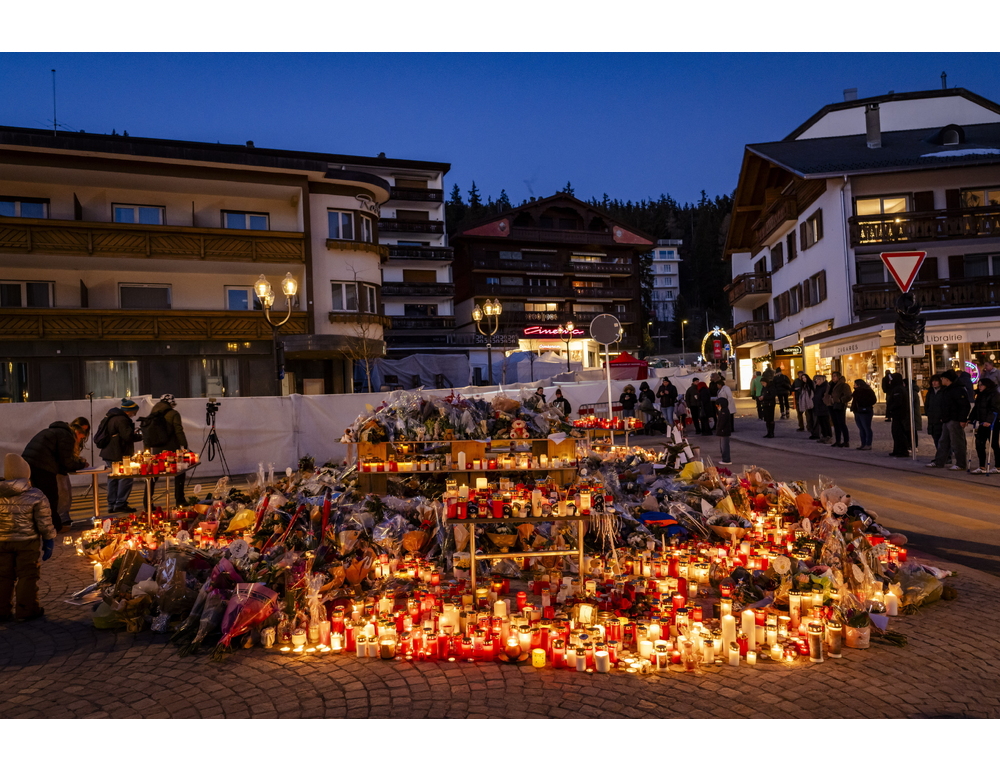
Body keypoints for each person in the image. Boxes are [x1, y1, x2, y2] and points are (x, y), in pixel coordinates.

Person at [0, 453, 56, 622]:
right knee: (27, 575)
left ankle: (2, 611)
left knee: (3, 576)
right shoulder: (36, 495)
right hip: (27, 542)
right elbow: (44, 521)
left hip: (2, 542)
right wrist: (48, 539)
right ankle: (27, 610)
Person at [21, 417, 89, 532]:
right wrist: (81, 464)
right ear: (77, 432)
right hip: (42, 466)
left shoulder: (55, 432)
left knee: (38, 497)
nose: (79, 441)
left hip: (29, 464)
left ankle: (41, 526)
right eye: (81, 438)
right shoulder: (67, 436)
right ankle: (55, 527)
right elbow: (66, 462)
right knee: (50, 497)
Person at [143, 395, 190, 508]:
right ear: (171, 403)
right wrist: (184, 445)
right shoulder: (174, 414)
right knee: (180, 472)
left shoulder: (152, 413)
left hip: (156, 449)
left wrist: (147, 449)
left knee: (153, 475)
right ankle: (180, 500)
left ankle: (147, 502)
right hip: (172, 448)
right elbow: (178, 430)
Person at [98, 399, 140, 514]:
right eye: (134, 412)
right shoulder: (122, 419)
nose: (134, 414)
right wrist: (140, 436)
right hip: (119, 453)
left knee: (113, 478)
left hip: (109, 453)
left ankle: (112, 504)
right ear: (128, 411)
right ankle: (120, 503)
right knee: (126, 477)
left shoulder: (110, 417)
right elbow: (127, 436)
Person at [926, 371, 971, 470]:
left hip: (955, 419)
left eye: (942, 379)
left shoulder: (958, 389)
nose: (941, 381)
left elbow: (964, 405)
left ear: (947, 379)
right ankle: (939, 461)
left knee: (957, 442)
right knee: (943, 441)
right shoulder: (947, 389)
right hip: (947, 419)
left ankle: (961, 464)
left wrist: (962, 419)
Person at [56, 417, 91, 529]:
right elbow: (66, 459)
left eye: (85, 431)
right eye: (82, 431)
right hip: (56, 468)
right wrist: (79, 464)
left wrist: (78, 460)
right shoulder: (67, 437)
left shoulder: (70, 438)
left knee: (66, 491)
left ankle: (64, 517)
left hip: (60, 468)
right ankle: (62, 519)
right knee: (63, 492)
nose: (83, 434)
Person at [970, 378, 1000, 474]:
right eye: (979, 385)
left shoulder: (994, 394)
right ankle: (982, 466)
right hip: (982, 422)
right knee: (979, 443)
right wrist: (971, 418)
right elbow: (977, 408)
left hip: (993, 423)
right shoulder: (980, 395)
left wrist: (989, 421)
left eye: (981, 385)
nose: (979, 387)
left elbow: (994, 409)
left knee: (994, 444)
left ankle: (998, 466)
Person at [884, 374, 912, 456]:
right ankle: (897, 450)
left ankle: (902, 451)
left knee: (899, 433)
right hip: (897, 414)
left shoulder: (898, 389)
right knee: (896, 433)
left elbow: (898, 402)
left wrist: (891, 408)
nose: (890, 382)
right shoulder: (897, 389)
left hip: (899, 414)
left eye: (891, 380)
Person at [711, 378, 736, 464]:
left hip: (724, 431)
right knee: (723, 445)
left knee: (724, 445)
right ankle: (725, 459)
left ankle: (726, 459)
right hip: (723, 431)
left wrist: (719, 429)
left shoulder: (724, 411)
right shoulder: (722, 411)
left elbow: (722, 422)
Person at [850, 379, 877, 451]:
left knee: (866, 428)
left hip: (865, 411)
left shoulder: (867, 391)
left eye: (855, 384)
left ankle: (868, 444)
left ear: (859, 385)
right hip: (857, 411)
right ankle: (863, 443)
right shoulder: (856, 392)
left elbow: (873, 400)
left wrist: (864, 404)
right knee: (861, 428)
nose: (854, 385)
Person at [828, 371, 853, 448]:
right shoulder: (830, 384)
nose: (833, 378)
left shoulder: (843, 385)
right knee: (835, 424)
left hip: (839, 406)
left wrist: (840, 400)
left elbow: (849, 396)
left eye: (835, 376)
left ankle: (846, 441)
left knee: (841, 424)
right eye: (832, 376)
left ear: (839, 377)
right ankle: (837, 440)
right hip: (831, 405)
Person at [924, 375, 945, 450]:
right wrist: (928, 413)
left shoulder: (944, 391)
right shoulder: (930, 392)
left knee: (942, 438)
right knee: (935, 436)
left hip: (941, 418)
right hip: (932, 418)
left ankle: (944, 454)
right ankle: (939, 453)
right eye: (933, 381)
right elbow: (927, 404)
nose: (934, 383)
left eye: (936, 381)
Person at [811, 374, 834, 443]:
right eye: (816, 379)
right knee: (821, 423)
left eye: (818, 380)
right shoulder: (818, 387)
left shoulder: (826, 387)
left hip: (824, 408)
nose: (817, 381)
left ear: (822, 380)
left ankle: (828, 437)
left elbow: (827, 397)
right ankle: (824, 436)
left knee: (826, 423)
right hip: (818, 407)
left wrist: (824, 402)